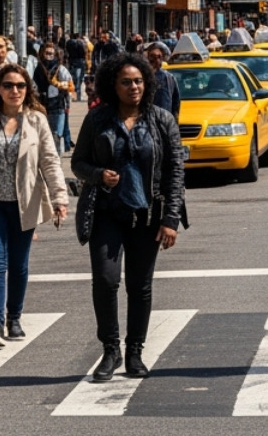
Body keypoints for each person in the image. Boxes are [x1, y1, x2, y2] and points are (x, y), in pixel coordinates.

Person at [71, 51, 186, 382]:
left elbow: (175, 171)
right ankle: (110, 350)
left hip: (148, 215)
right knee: (106, 281)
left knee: (140, 285)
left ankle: (135, 352)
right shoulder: (97, 119)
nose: (133, 87)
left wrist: (171, 220)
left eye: (138, 81)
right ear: (113, 85)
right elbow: (78, 163)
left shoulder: (161, 119)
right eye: (126, 82)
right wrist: (97, 175)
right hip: (106, 212)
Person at [0, 62, 69, 347]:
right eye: (8, 85)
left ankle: (14, 317)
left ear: (27, 89)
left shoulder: (37, 120)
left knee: (18, 265)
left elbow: (50, 161)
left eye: (20, 85)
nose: (14, 90)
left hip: (25, 202)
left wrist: (59, 198)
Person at [35, 43, 74, 148]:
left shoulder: (60, 69)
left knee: (56, 135)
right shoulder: (38, 68)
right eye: (47, 53)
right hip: (41, 107)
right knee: (43, 136)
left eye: (52, 54)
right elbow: (34, 85)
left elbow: (71, 86)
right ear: (42, 54)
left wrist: (59, 84)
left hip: (58, 106)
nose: (49, 56)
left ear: (56, 55)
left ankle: (56, 160)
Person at [143, 42, 181, 119]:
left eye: (158, 56)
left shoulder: (167, 77)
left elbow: (175, 103)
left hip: (163, 122)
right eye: (152, 56)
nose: (155, 59)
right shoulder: (141, 76)